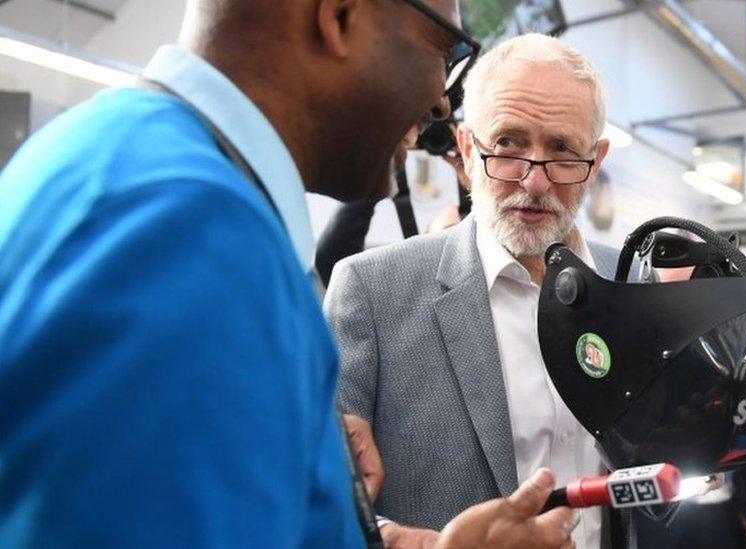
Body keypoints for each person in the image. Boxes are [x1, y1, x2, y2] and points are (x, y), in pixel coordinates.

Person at [0, 1, 578, 547]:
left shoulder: (125, 158)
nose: (439, 102)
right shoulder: (190, 230)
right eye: (444, 50)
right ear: (341, 14)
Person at [327, 34, 637, 548]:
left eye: (562, 149)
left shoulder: (630, 283)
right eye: (509, 144)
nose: (534, 182)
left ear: (596, 160)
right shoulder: (371, 293)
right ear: (469, 149)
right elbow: (320, 495)